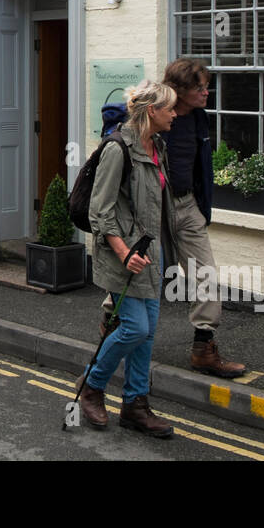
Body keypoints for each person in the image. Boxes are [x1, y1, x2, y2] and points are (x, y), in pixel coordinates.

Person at [77, 80, 177, 438]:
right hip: (122, 256)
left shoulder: (157, 146)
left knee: (146, 337)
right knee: (136, 328)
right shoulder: (117, 149)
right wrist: (124, 252)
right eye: (170, 108)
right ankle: (93, 385)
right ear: (153, 111)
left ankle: (135, 406)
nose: (175, 114)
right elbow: (99, 212)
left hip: (151, 255)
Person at [161, 58, 247, 379]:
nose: (206, 93)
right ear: (179, 90)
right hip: (152, 208)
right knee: (136, 274)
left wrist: (200, 204)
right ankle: (111, 327)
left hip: (187, 206)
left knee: (206, 275)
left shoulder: (198, 117)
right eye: (199, 88)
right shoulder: (153, 115)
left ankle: (203, 349)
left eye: (205, 86)